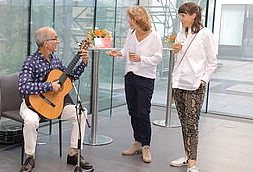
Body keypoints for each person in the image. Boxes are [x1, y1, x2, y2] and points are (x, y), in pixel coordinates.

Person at [18, 27, 93, 172]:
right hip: (32, 105)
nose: (58, 41)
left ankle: (73, 153)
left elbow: (70, 78)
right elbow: (23, 87)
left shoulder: (56, 61)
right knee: (31, 121)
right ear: (45, 43)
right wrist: (49, 86)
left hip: (54, 106)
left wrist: (83, 62)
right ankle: (30, 157)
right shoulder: (30, 61)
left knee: (81, 112)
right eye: (55, 39)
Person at [106, 6, 162, 163]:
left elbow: (158, 58)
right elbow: (125, 50)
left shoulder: (154, 36)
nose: (129, 21)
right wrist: (119, 54)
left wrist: (142, 59)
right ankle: (137, 142)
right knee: (133, 111)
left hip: (145, 77)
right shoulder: (131, 33)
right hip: (130, 75)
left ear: (139, 19)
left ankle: (146, 146)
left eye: (131, 18)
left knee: (143, 112)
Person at [169, 2, 217, 172]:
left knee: (192, 124)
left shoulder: (205, 34)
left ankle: (192, 164)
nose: (180, 19)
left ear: (193, 16)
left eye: (183, 16)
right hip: (179, 83)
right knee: (184, 123)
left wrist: (203, 81)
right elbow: (180, 61)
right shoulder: (181, 33)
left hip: (194, 85)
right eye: (179, 16)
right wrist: (175, 51)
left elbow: (212, 62)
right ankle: (186, 155)